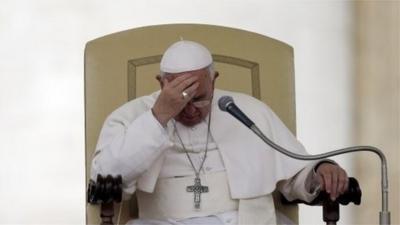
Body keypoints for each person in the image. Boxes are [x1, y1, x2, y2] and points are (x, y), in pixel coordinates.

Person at [91, 40, 349, 225]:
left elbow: (294, 172)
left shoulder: (248, 111)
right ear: (161, 83)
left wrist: (320, 170)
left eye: (200, 98)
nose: (191, 109)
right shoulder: (132, 115)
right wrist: (159, 116)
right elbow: (104, 175)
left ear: (214, 80)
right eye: (181, 100)